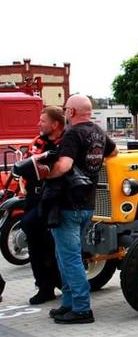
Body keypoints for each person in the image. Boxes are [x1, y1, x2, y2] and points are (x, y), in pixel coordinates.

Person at [43, 94, 118, 324]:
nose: (65, 113)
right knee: (65, 256)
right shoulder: (98, 132)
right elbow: (113, 153)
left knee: (70, 258)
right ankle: (68, 304)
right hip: (88, 204)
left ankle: (82, 308)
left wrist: (47, 174)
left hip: (68, 204)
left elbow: (64, 165)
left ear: (72, 112)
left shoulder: (73, 134)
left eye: (66, 109)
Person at [22, 106, 66, 304]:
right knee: (34, 241)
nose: (38, 124)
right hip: (34, 197)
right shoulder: (38, 141)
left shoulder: (66, 141)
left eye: (43, 121)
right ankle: (45, 285)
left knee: (44, 237)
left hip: (55, 199)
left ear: (55, 124)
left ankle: (56, 280)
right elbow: (29, 165)